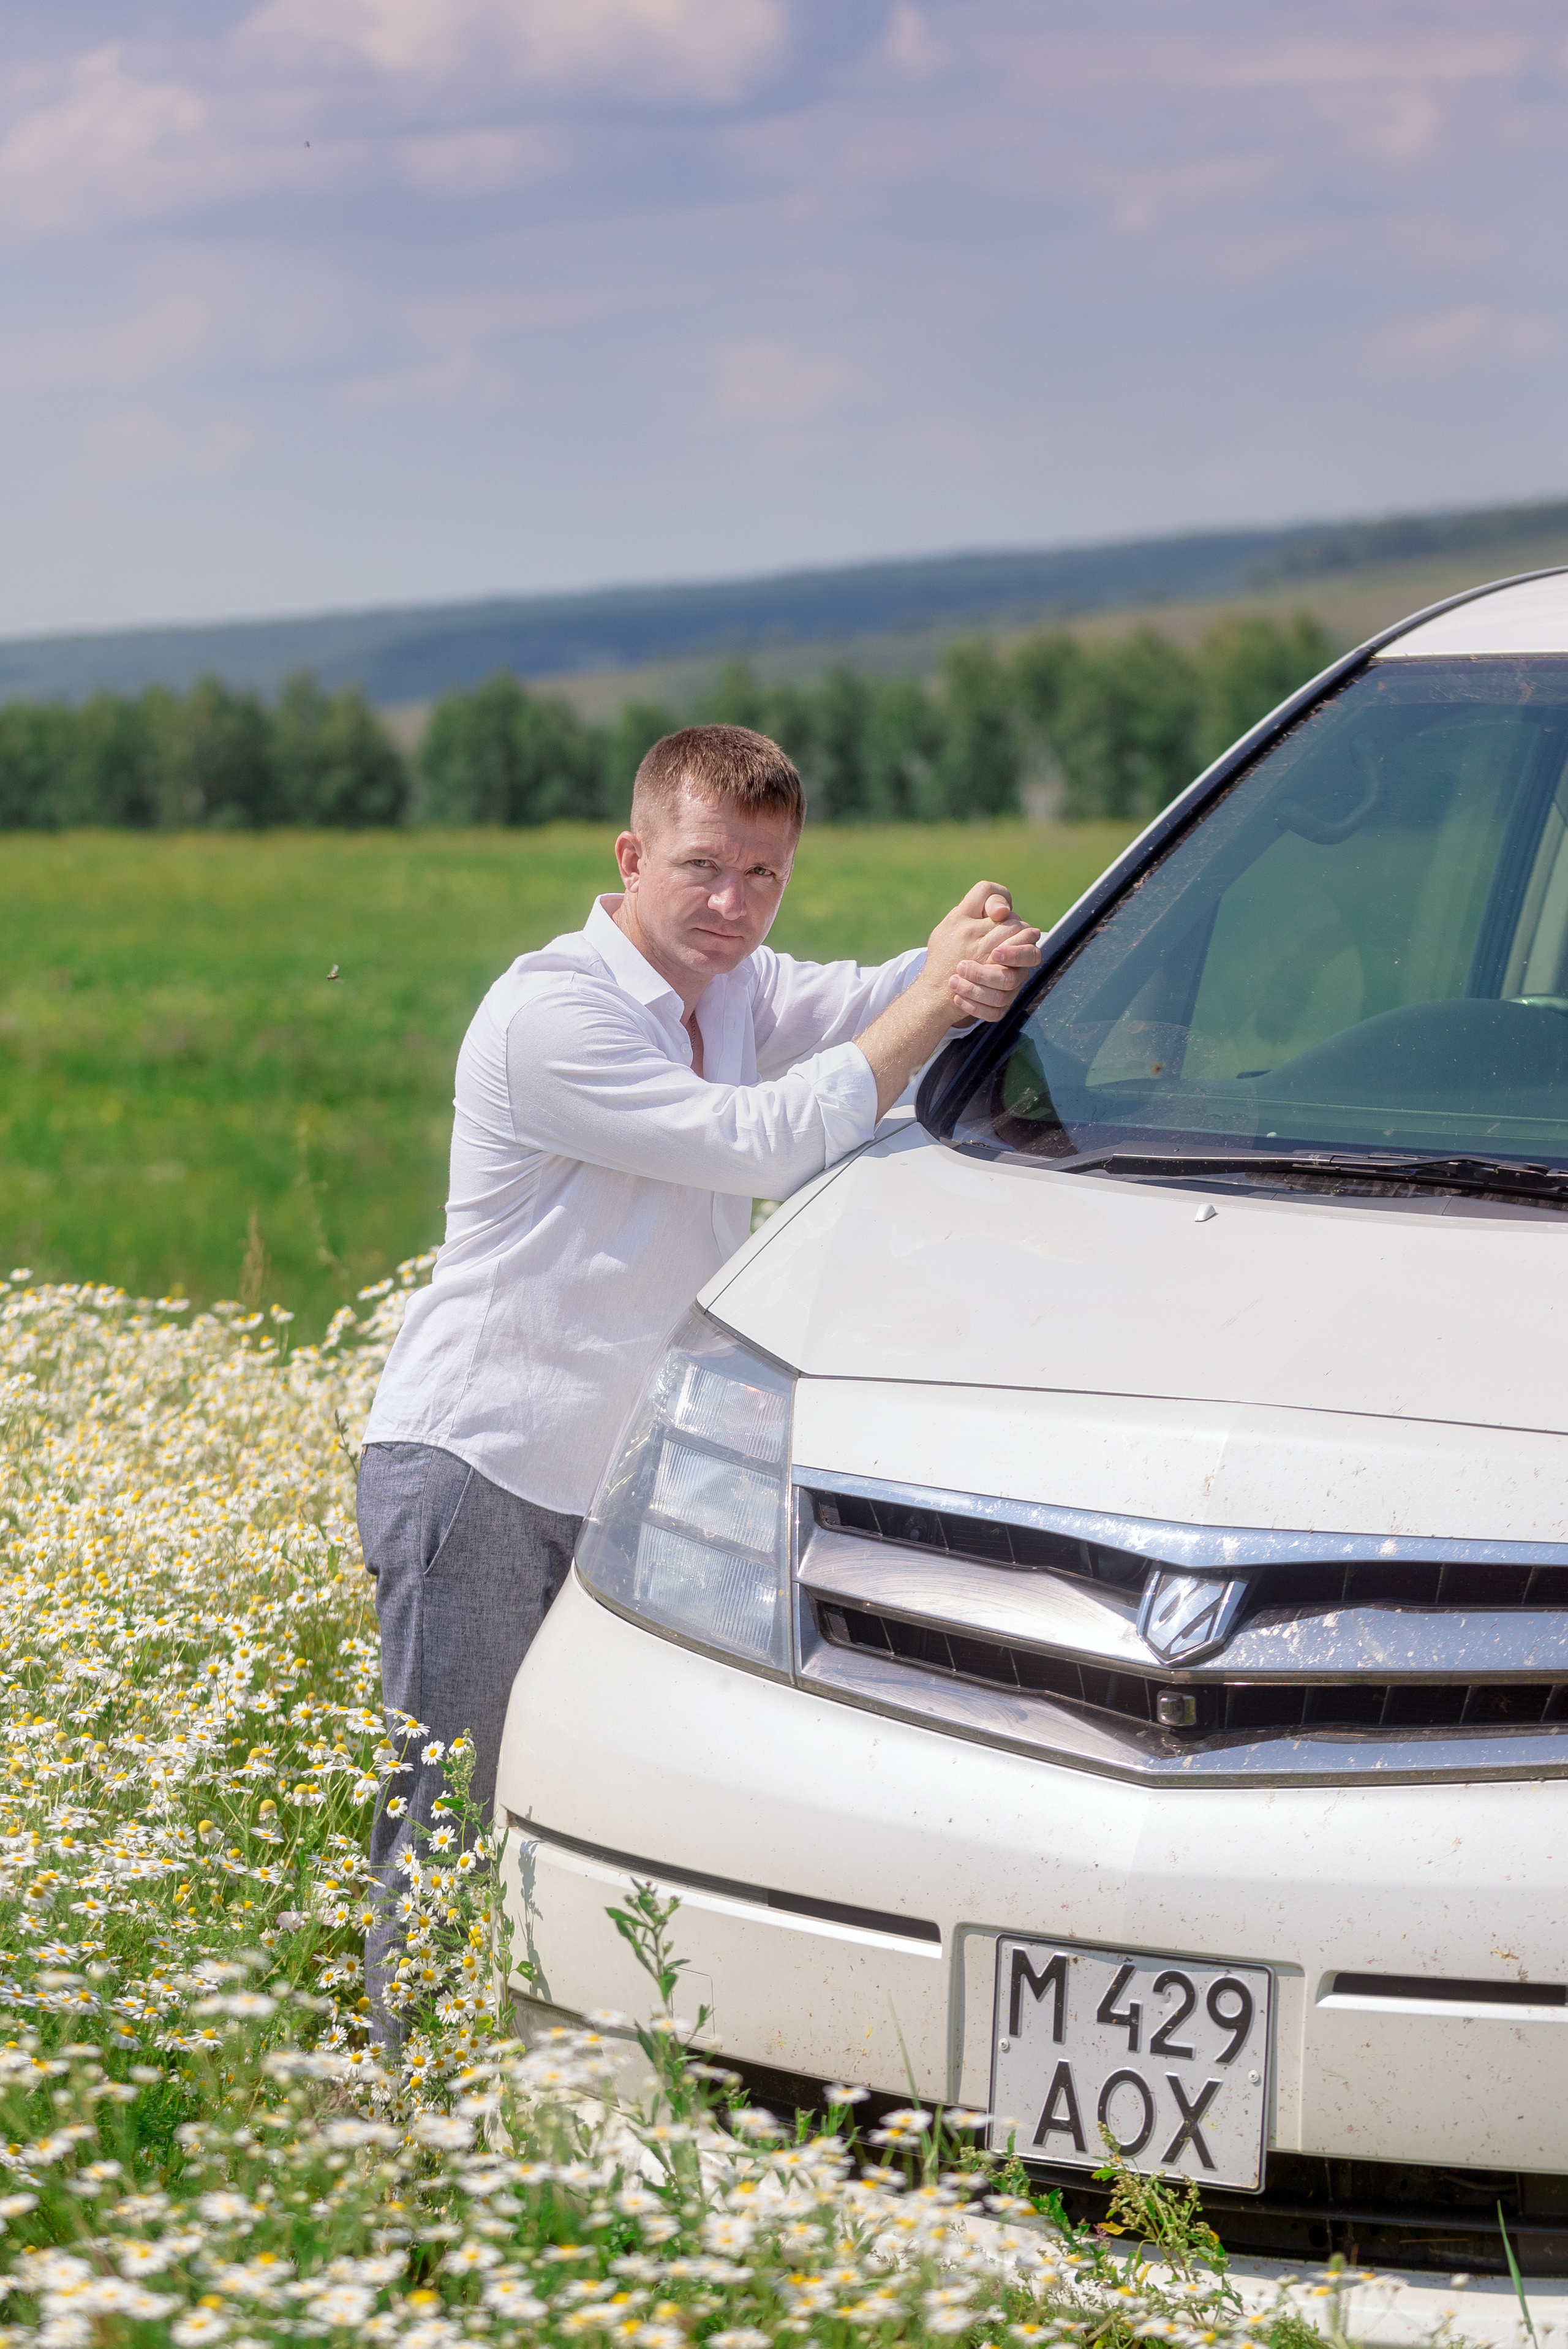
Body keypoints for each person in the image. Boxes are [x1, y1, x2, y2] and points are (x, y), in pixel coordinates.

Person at [355, 722, 1042, 2028]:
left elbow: (883, 995)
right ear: (631, 858)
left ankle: (561, 2088)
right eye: (703, 868)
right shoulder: (549, 1013)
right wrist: (934, 998)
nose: (732, 903)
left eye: (763, 875)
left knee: (614, 1809)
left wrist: (989, 945)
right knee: (450, 1818)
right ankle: (409, 2102)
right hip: (479, 1470)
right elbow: (760, 1140)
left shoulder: (736, 990)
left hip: (628, 1482)